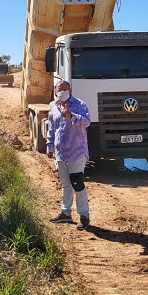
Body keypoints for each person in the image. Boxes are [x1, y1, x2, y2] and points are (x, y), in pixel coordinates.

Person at [46, 80, 91, 230]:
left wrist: (71, 116)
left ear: (70, 90)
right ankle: (65, 213)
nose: (62, 92)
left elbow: (87, 122)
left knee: (77, 183)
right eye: (59, 89)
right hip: (61, 153)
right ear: (56, 91)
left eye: (65, 89)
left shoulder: (80, 104)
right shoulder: (54, 108)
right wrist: (49, 146)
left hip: (77, 151)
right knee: (65, 185)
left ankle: (84, 216)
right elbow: (52, 128)